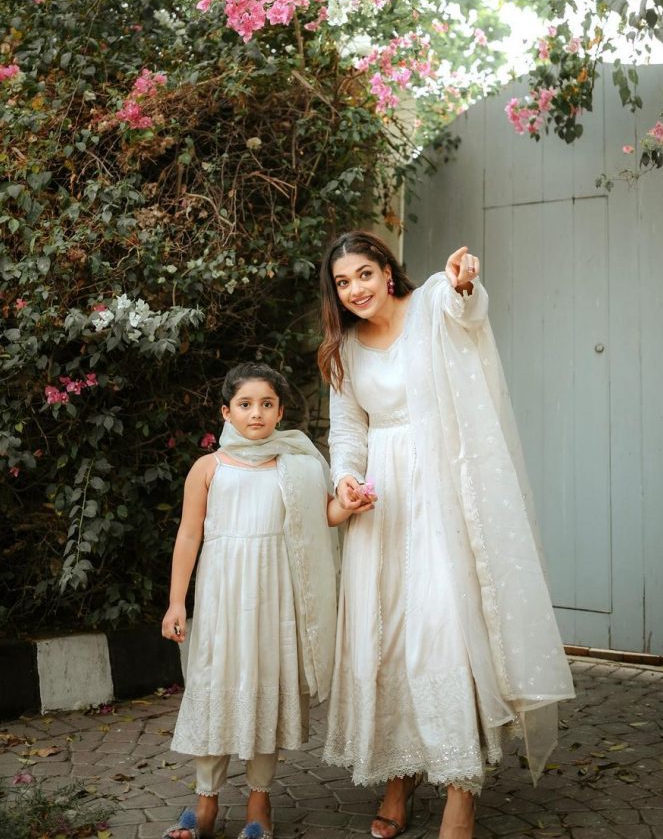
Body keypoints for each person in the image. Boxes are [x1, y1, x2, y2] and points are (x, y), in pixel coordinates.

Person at [318, 231, 575, 839]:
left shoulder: (432, 301)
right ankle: (396, 777)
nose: (355, 290)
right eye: (342, 282)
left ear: (386, 269)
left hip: (440, 495)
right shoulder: (343, 350)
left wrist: (464, 286)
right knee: (385, 639)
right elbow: (348, 430)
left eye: (363, 274)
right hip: (382, 505)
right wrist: (348, 481)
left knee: (443, 634)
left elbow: (467, 313)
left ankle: (461, 792)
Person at [161, 362, 356, 839]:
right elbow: (189, 535)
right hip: (224, 598)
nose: (256, 414)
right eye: (245, 405)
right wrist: (176, 602)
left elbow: (321, 517)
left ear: (280, 411)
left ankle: (258, 804)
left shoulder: (298, 465)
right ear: (226, 411)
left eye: (267, 404)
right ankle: (205, 802)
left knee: (268, 690)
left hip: (276, 596)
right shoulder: (208, 468)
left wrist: (346, 506)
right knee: (216, 687)